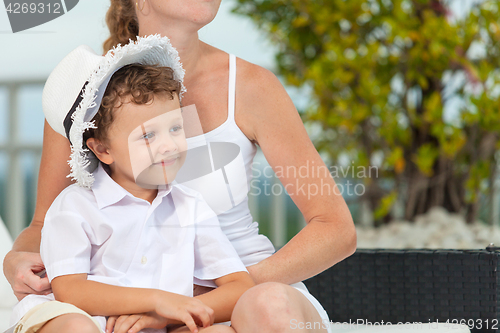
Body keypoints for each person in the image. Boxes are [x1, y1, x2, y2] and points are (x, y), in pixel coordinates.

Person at [3, 0, 357, 332]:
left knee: (271, 307)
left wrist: (199, 297)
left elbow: (335, 229)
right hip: (116, 294)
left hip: (240, 288)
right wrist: (16, 258)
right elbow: (43, 222)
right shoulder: (84, 99)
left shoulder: (252, 87)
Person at [7, 35, 254, 333]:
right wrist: (157, 300)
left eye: (175, 128)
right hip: (82, 318)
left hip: (155, 326)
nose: (168, 146)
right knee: (76, 328)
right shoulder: (75, 206)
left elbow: (240, 286)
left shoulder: (190, 207)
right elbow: (70, 291)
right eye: (148, 136)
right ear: (103, 150)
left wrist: (166, 314)